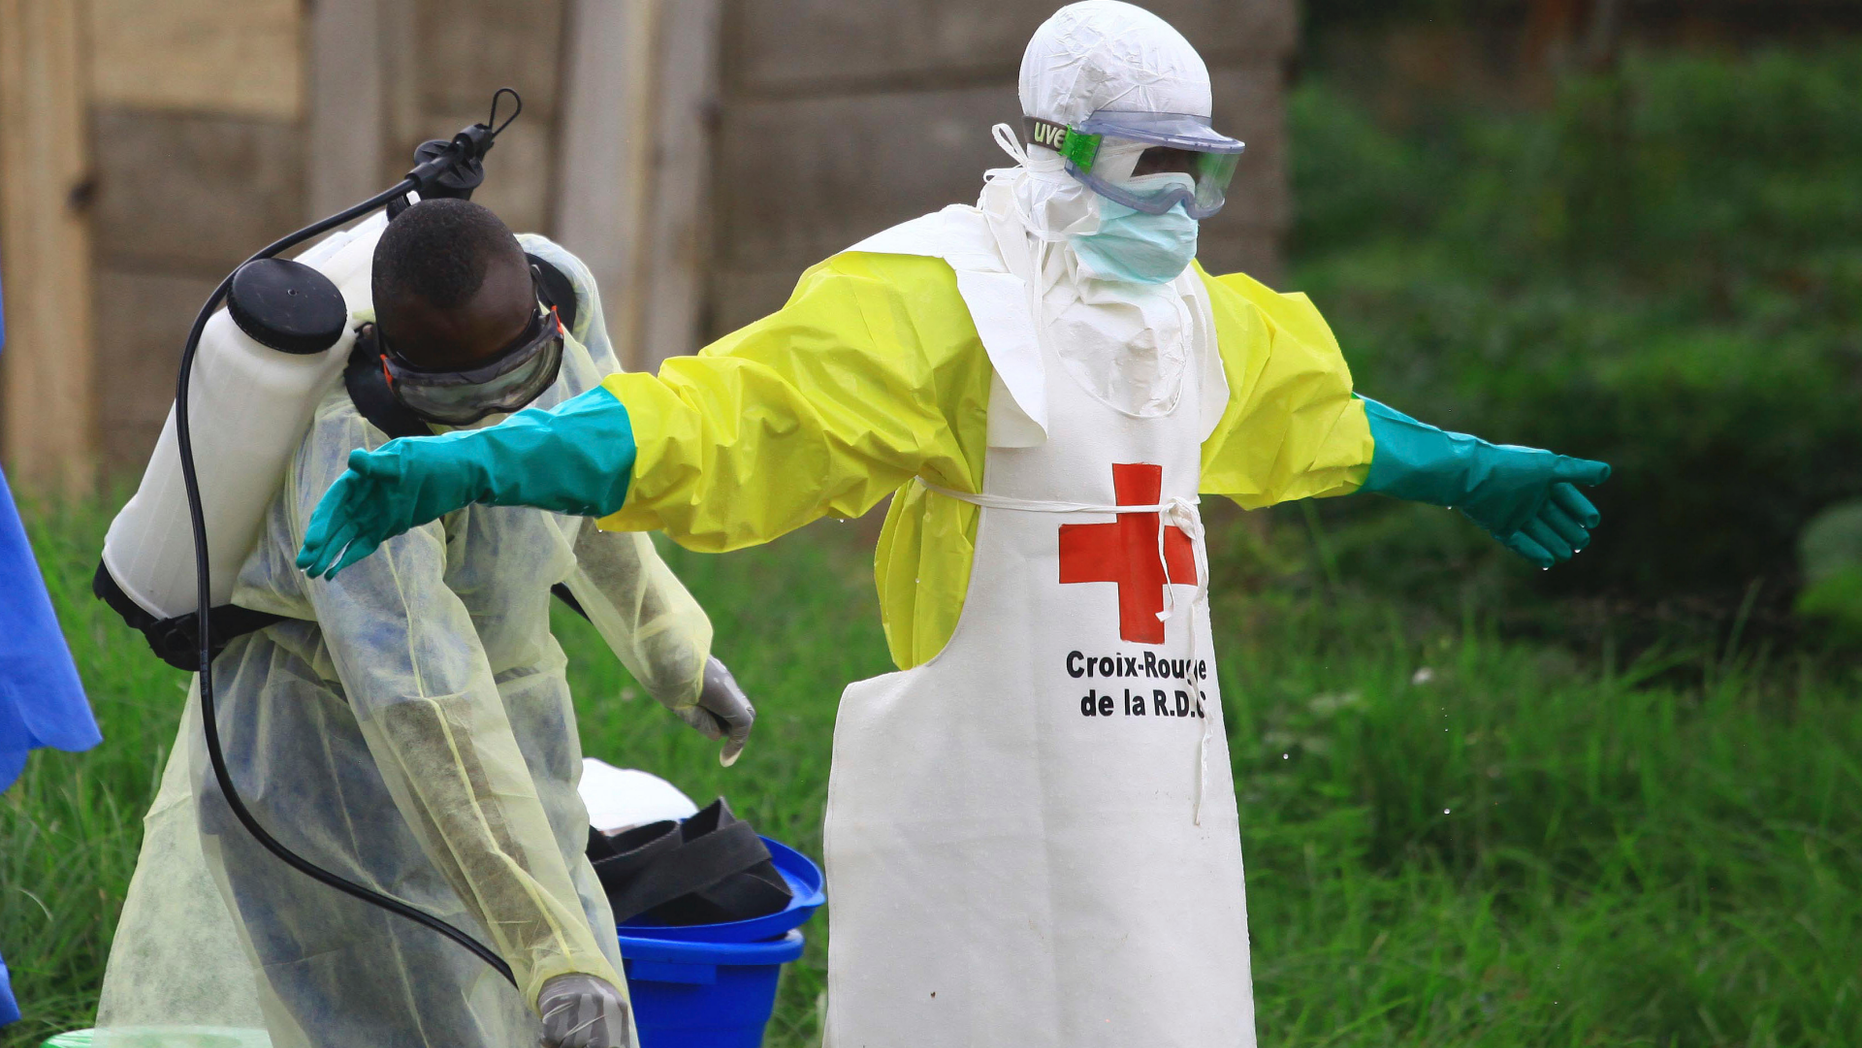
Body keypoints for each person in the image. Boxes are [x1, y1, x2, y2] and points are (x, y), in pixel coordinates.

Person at [296, 4, 1610, 1045]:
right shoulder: (938, 300)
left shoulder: (1197, 321)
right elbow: (721, 416)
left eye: (1200, 172)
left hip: (1157, 803)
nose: (1176, 206)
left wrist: (1468, 468)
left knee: (1166, 1004)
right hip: (985, 797)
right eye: (1150, 164)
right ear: (1054, 147)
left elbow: (1317, 419)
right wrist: (481, 462)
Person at [96, 199, 755, 1048]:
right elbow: (422, 703)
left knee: (565, 986)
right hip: (331, 772)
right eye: (460, 397)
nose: (495, 420)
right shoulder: (358, 463)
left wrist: (675, 652)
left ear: (543, 314)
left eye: (518, 381)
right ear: (393, 367)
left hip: (512, 714)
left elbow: (584, 472)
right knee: (411, 1024)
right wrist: (555, 955)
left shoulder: (562, 293)